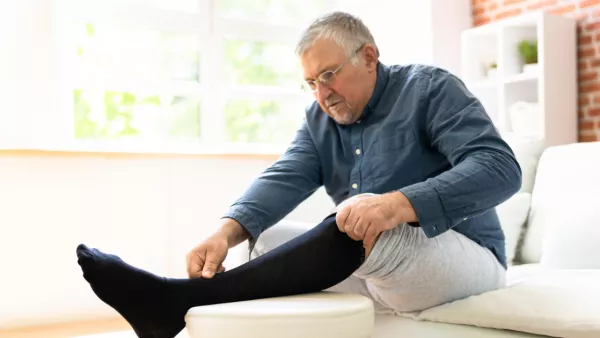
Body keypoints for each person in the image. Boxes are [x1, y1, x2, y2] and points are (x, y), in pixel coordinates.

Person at [75, 11, 522, 338]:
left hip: (468, 258)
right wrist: (224, 234)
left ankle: (171, 300)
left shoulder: (429, 89)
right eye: (310, 82)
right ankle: (171, 304)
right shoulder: (319, 119)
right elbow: (283, 177)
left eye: (329, 75)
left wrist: (395, 205)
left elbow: (501, 169)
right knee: (267, 242)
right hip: (379, 267)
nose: (322, 93)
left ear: (368, 57)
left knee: (362, 223)